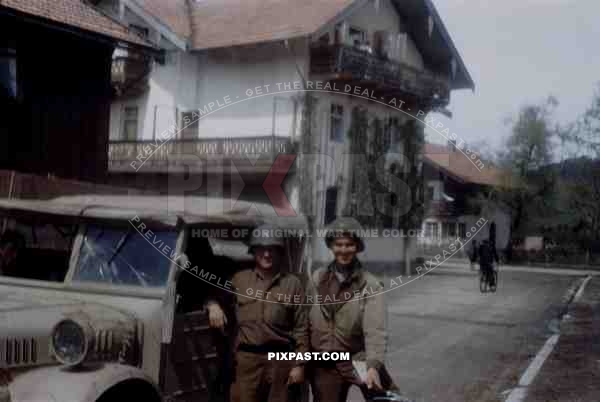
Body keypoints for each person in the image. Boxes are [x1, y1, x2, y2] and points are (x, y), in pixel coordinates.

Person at [206, 225, 309, 402]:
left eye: (272, 249)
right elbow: (215, 296)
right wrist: (213, 305)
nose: (267, 254)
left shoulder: (293, 284)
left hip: (281, 361)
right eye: (261, 249)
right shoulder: (239, 279)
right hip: (247, 362)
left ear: (279, 252)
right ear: (253, 252)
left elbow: (302, 328)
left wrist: (300, 365)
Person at [308, 217, 394, 402]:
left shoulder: (370, 284)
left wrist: (373, 366)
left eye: (349, 244)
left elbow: (375, 330)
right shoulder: (318, 278)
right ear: (331, 246)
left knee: (387, 397)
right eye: (338, 244)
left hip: (358, 358)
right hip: (326, 362)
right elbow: (307, 320)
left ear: (358, 247)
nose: (344, 250)